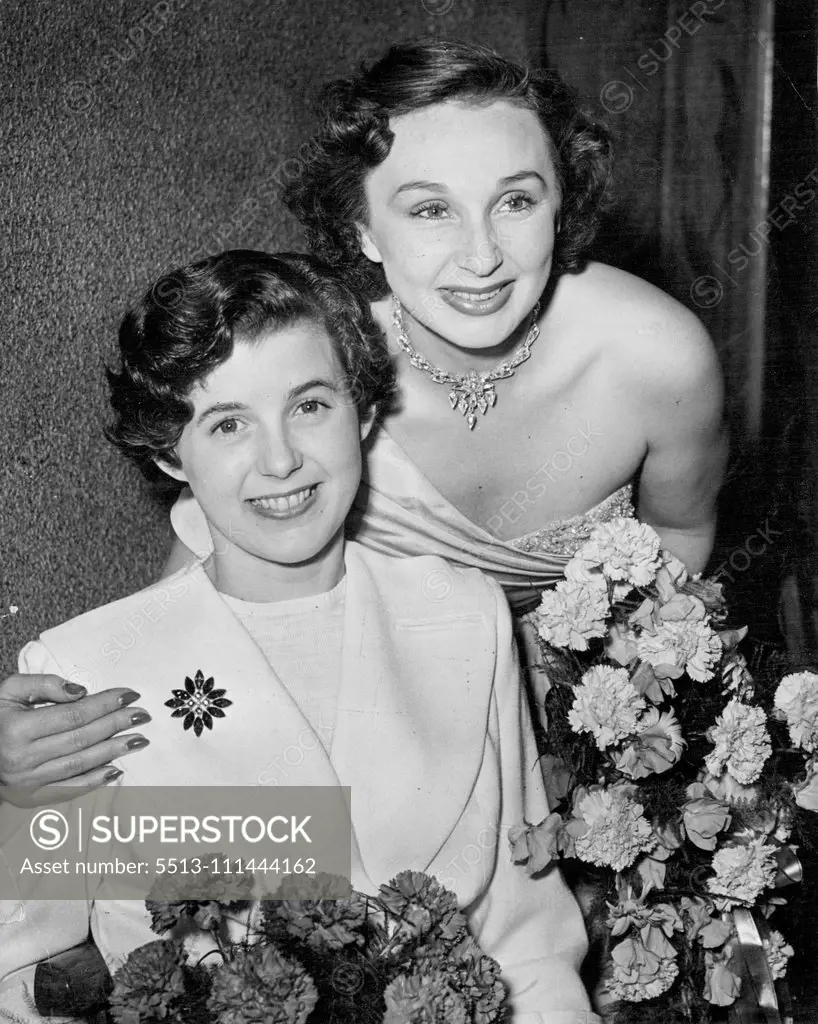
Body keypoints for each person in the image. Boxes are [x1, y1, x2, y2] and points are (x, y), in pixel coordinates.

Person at [0, 40, 726, 796]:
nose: (481, 257)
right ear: (363, 230)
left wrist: (611, 722)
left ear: (561, 204)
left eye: (516, 201)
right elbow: (210, 578)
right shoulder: (317, 364)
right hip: (380, 710)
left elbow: (679, 533)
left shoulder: (658, 357)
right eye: (430, 209)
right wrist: (62, 725)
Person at [0, 251, 596, 1024]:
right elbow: (24, 977)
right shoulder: (92, 666)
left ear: (365, 412)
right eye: (228, 424)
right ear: (168, 451)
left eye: (310, 405)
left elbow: (530, 949)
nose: (280, 460)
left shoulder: (466, 615)